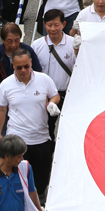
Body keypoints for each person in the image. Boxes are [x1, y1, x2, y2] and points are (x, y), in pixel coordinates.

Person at [0, 49, 60, 197]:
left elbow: (55, 95)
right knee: (14, 175)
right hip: (16, 140)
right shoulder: (6, 85)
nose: (23, 70)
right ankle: (15, 202)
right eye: (19, 67)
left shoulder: (44, 79)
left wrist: (51, 103)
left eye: (26, 66)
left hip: (41, 138)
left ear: (31, 63)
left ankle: (38, 203)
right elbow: (1, 110)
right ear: (13, 66)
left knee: (41, 176)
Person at [31, 9, 76, 137]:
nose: (53, 28)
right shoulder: (37, 45)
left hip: (67, 95)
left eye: (56, 25)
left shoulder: (72, 44)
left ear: (64, 24)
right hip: (46, 97)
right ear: (44, 25)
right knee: (47, 129)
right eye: (49, 25)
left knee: (69, 129)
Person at [0, 22, 43, 92]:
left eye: (17, 40)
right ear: (3, 40)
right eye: (9, 41)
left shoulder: (28, 50)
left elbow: (39, 73)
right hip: (5, 93)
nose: (13, 45)